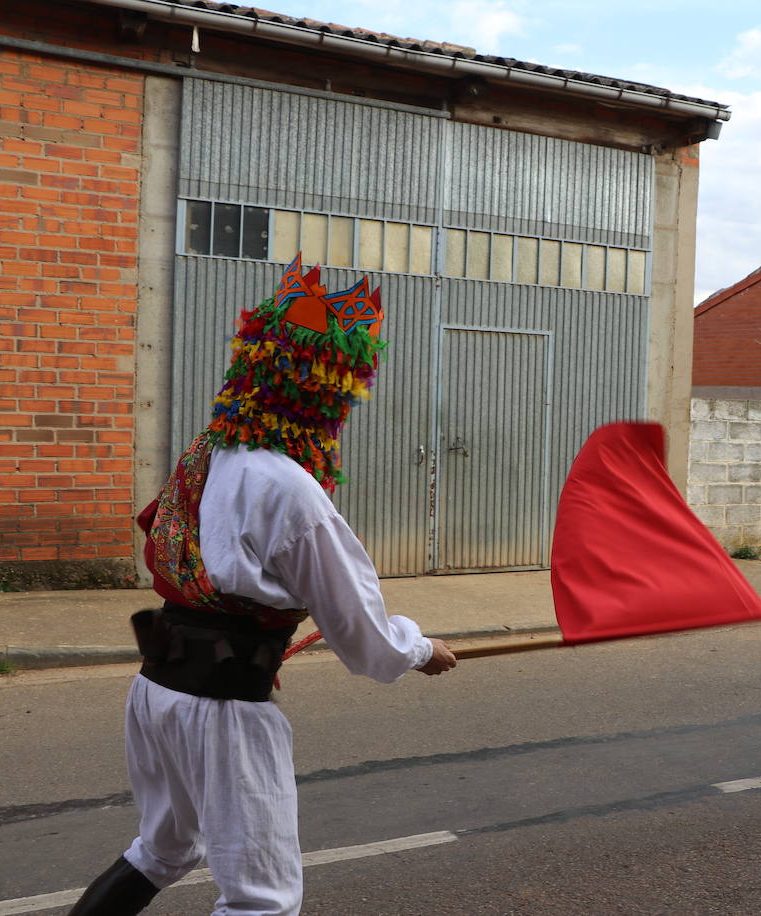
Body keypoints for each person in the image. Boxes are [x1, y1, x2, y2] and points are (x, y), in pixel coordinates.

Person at [69, 255, 457, 915]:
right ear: (330, 391)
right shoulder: (289, 491)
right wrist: (419, 649)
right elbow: (362, 637)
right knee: (262, 899)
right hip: (221, 709)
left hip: (158, 689)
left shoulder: (208, 452)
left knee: (163, 849)